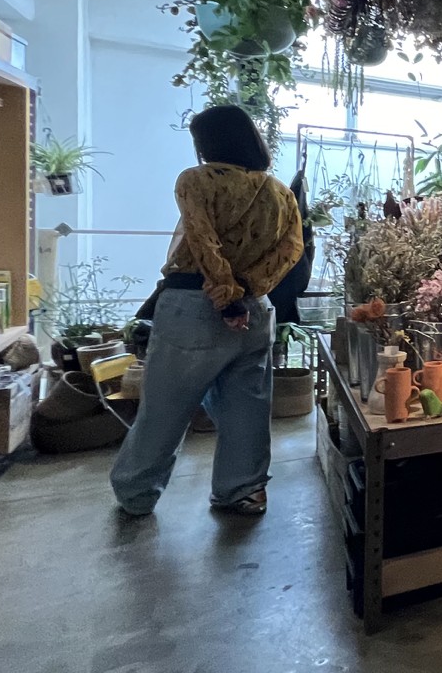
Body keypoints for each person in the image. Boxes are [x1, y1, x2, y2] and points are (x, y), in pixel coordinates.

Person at [110, 105, 303, 517]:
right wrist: (248, 290)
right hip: (255, 311)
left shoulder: (196, 180)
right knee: (247, 409)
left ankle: (137, 493)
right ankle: (244, 490)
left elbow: (202, 239)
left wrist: (226, 296)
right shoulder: (281, 193)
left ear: (208, 143)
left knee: (165, 408)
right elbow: (291, 250)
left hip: (195, 305)